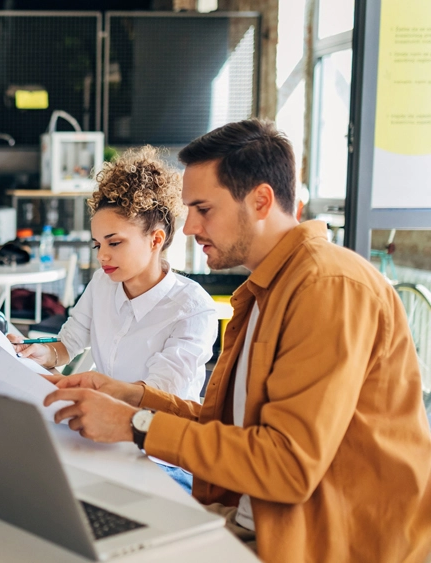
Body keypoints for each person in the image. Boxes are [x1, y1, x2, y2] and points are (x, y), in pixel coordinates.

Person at [42, 119, 431, 562]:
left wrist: (134, 423)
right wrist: (133, 396)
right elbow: (236, 430)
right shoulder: (267, 289)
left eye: (204, 209)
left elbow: (287, 466)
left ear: (261, 200)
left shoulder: (328, 286)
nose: (187, 228)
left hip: (314, 542)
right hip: (253, 518)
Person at [13, 146, 217, 403]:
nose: (101, 256)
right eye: (98, 244)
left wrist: (80, 388)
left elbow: (159, 395)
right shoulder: (102, 283)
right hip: (102, 420)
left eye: (115, 243)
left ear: (155, 240)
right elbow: (68, 344)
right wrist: (39, 352)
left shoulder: (192, 309)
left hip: (154, 431)